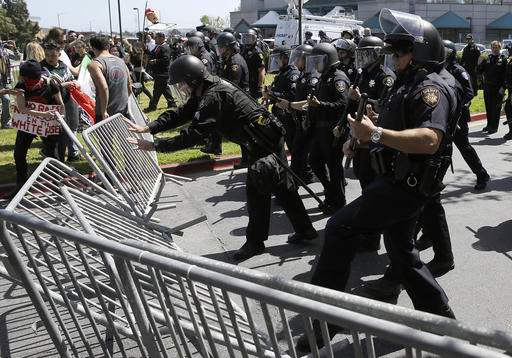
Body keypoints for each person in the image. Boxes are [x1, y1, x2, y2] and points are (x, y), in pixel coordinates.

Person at [295, 9, 457, 353]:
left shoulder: (431, 87)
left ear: (418, 53)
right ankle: (446, 325)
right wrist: (364, 136)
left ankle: (326, 321)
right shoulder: (407, 81)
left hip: (406, 186)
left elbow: (431, 139)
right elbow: (394, 125)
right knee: (403, 255)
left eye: (398, 52)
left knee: (340, 227)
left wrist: (378, 133)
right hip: (399, 179)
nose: (392, 58)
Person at [126, 55, 318, 261]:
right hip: (265, 139)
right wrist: (150, 127)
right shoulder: (206, 89)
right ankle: (305, 229)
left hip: (263, 143)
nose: (180, 88)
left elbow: (194, 135)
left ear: (192, 79)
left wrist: (155, 145)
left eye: (181, 83)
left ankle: (255, 243)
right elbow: (183, 113)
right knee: (283, 188)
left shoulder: (212, 96)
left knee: (257, 193)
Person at [343, 35, 396, 252]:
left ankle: (373, 236)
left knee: (375, 191)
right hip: (360, 139)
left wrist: (360, 100)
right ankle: (368, 230)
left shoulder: (385, 78)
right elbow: (351, 104)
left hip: (376, 142)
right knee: (365, 185)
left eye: (366, 54)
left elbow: (386, 107)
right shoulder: (362, 73)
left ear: (376, 55)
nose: (362, 58)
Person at [307, 43, 349, 214]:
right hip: (320, 129)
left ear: (328, 59)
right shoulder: (324, 76)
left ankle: (339, 201)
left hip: (333, 131)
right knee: (315, 162)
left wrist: (320, 105)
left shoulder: (338, 78)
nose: (316, 64)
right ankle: (330, 192)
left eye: (319, 60)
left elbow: (343, 104)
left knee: (334, 167)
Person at [444, 40, 490, 190]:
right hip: (444, 116)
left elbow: (469, 92)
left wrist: (455, 105)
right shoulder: (439, 70)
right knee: (442, 150)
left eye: (445, 53)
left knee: (464, 147)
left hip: (458, 116)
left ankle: (481, 174)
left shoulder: (458, 70)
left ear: (451, 54)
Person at [12, 60, 63, 191]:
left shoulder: (50, 84)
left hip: (47, 123)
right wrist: (43, 113)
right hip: (29, 122)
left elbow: (61, 105)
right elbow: (22, 108)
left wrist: (58, 116)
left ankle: (58, 185)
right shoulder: (21, 85)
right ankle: (21, 185)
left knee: (52, 153)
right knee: (19, 153)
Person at [278, 44, 319, 183]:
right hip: (301, 123)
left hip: (312, 124)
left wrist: (289, 105)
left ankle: (293, 187)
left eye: (299, 59)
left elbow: (309, 103)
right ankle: (296, 183)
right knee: (298, 155)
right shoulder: (303, 75)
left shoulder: (313, 77)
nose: (295, 62)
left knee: (317, 158)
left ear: (307, 59)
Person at [40, 40, 80, 162]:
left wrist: (75, 83)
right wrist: (64, 85)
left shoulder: (63, 65)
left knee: (68, 130)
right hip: (51, 106)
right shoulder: (41, 67)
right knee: (53, 137)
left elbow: (71, 78)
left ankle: (63, 160)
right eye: (47, 55)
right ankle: (54, 162)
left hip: (67, 102)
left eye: (53, 55)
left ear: (59, 54)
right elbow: (44, 87)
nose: (50, 58)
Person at [216, 31, 250, 167]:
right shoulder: (229, 59)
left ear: (228, 47)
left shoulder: (235, 62)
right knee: (240, 132)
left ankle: (248, 159)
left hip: (240, 102)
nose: (219, 49)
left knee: (241, 132)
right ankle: (247, 159)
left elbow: (233, 85)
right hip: (236, 101)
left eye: (221, 47)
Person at [88, 35, 131, 122]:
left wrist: (103, 111)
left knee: (104, 136)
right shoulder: (121, 61)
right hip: (123, 110)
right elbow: (129, 85)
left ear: (92, 48)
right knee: (124, 136)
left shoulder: (95, 64)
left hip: (106, 112)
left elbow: (104, 88)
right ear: (108, 46)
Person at [265, 46, 300, 152]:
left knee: (293, 145)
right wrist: (269, 97)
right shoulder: (281, 73)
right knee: (276, 144)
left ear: (286, 58)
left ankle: (301, 168)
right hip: (278, 114)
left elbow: (292, 95)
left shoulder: (292, 73)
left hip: (288, 116)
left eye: (278, 59)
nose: (276, 61)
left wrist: (272, 94)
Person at [478, 40, 506, 134]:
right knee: (489, 107)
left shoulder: (503, 59)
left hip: (498, 88)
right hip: (488, 87)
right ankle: (489, 124)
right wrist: (479, 62)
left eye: (496, 47)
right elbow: (479, 71)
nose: (494, 49)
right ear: (491, 48)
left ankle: (494, 127)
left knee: (496, 108)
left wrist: (503, 87)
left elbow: (507, 75)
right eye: (493, 47)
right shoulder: (488, 58)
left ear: (500, 48)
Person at [144, 32, 176, 112]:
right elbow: (152, 54)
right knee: (165, 89)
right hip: (159, 72)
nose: (154, 39)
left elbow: (166, 59)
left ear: (162, 38)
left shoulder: (165, 47)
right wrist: (145, 50)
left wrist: (155, 61)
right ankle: (171, 103)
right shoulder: (158, 47)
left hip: (162, 72)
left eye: (156, 37)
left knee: (157, 91)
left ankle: (152, 106)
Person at [240, 29, 266, 100]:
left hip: (253, 83)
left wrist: (260, 87)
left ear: (254, 39)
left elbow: (262, 70)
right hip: (244, 82)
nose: (247, 40)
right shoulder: (243, 50)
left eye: (249, 38)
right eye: (245, 38)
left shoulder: (257, 52)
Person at [0, 42, 12, 129]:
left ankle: (5, 122)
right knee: (6, 99)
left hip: (4, 81)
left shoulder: (5, 52)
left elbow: (17, 57)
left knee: (6, 100)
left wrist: (14, 48)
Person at [503, 45, 512, 140]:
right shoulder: (510, 60)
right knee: (508, 108)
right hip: (510, 90)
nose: (508, 51)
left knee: (508, 108)